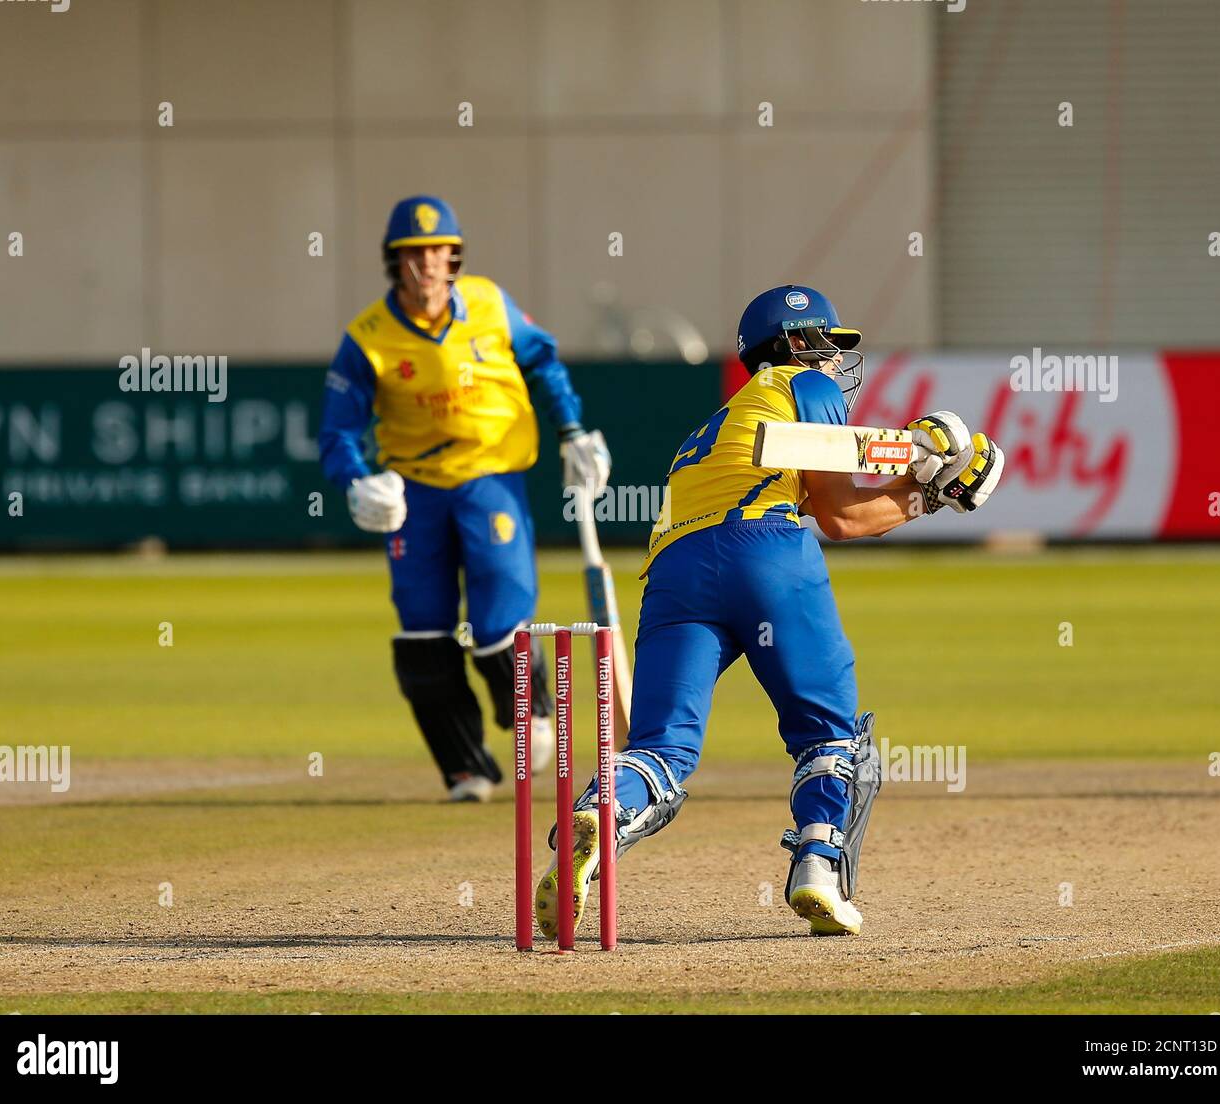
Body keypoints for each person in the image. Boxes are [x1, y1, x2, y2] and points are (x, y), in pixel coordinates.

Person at [535, 284, 1004, 935]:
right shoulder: (799, 386)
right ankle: (817, 865)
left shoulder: (713, 427)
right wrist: (933, 493)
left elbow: (827, 499)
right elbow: (841, 519)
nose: (837, 365)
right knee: (832, 735)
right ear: (796, 344)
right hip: (766, 553)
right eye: (831, 348)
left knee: (662, 750)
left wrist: (919, 478)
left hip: (673, 572)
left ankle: (603, 808)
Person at [318, 195, 611, 802]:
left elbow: (545, 364)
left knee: (498, 617)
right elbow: (337, 430)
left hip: (489, 474)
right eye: (413, 255)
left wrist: (574, 431)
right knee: (423, 632)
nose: (427, 266)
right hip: (415, 487)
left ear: (454, 258)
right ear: (393, 263)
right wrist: (356, 480)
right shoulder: (368, 337)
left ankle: (531, 715)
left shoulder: (490, 303)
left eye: (438, 252)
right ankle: (465, 767)